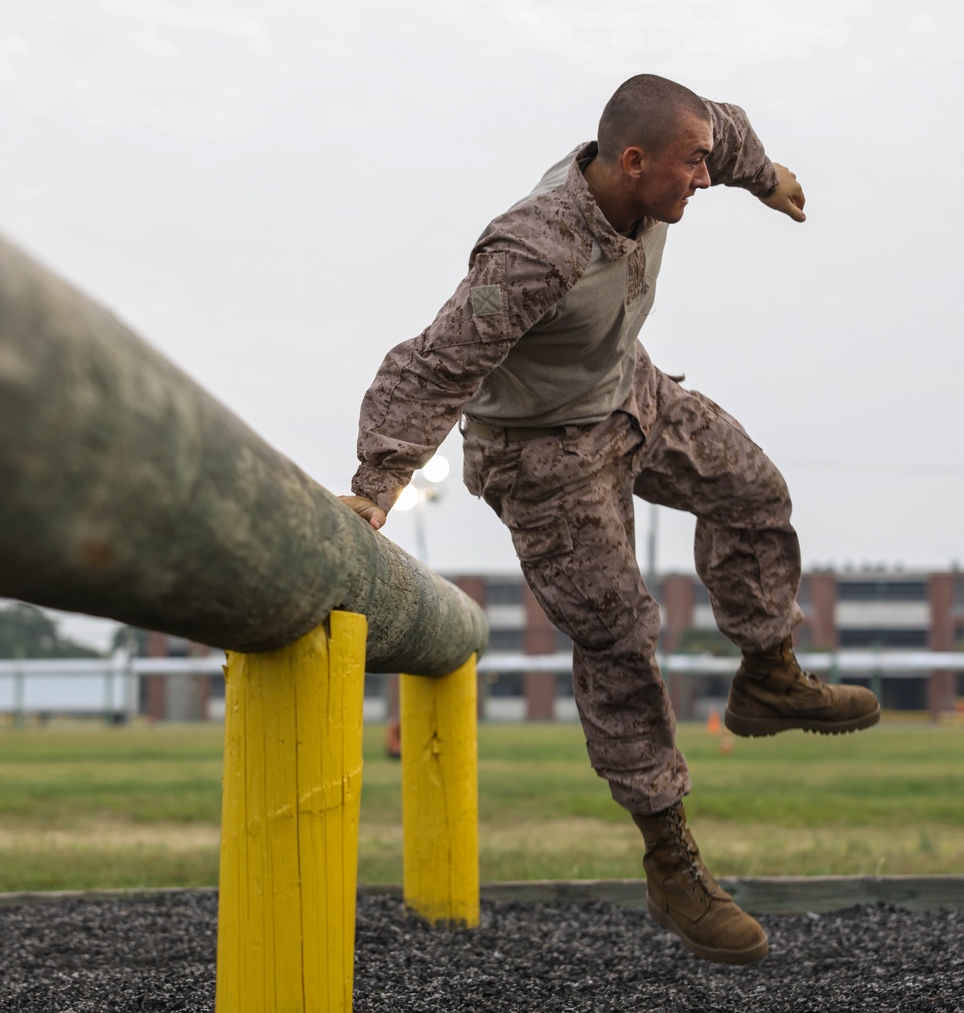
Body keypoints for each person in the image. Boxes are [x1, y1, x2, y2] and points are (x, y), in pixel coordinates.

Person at [341, 74, 879, 965]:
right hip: (542, 454)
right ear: (632, 164)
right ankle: (672, 862)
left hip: (628, 392)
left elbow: (728, 133)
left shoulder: (678, 157)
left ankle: (769, 675)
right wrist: (376, 485)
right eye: (689, 168)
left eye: (705, 164)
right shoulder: (533, 250)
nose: (701, 180)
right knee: (622, 635)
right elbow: (432, 366)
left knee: (754, 491)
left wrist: (768, 175)